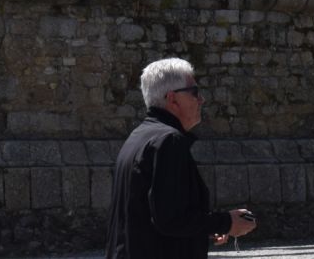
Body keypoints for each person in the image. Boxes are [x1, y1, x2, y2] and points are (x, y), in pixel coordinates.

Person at [107, 58, 256, 259]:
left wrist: (208, 227)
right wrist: (226, 222)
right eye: (194, 92)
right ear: (172, 98)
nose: (201, 99)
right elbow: (170, 218)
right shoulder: (169, 141)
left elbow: (152, 213)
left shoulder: (139, 136)